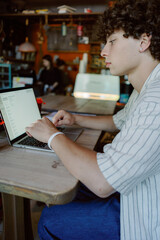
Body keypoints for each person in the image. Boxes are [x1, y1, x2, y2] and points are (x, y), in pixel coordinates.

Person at [26, 0, 160, 239]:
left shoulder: (155, 100)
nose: (103, 51)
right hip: (135, 187)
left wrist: (52, 136)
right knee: (69, 186)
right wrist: (75, 119)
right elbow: (118, 122)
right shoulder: (145, 89)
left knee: (50, 220)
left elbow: (102, 183)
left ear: (143, 41)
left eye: (112, 41)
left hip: (143, 215)